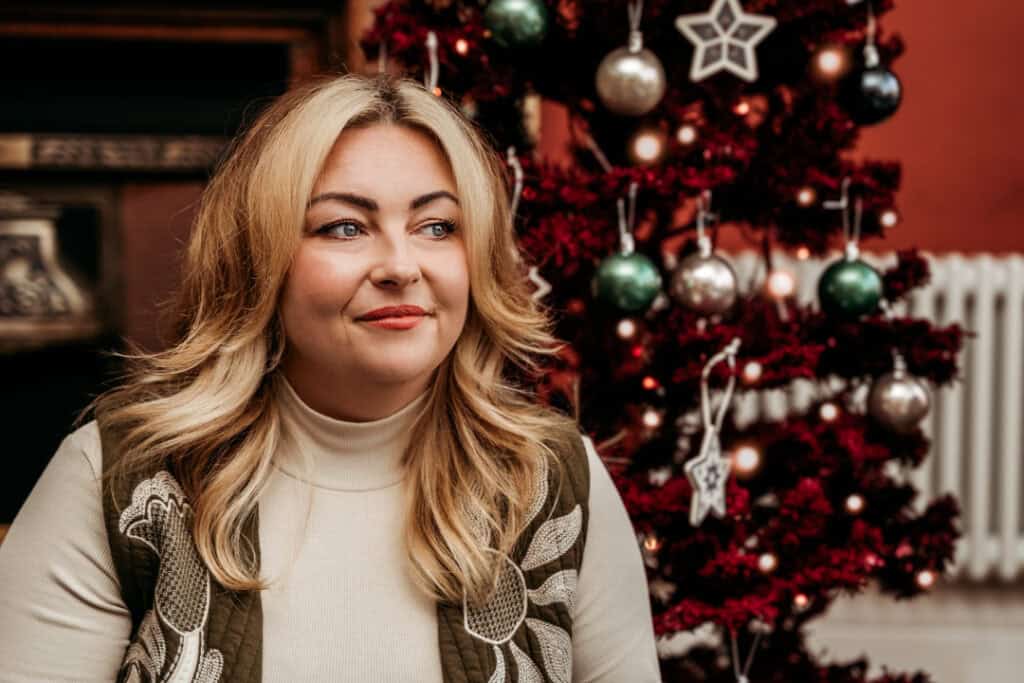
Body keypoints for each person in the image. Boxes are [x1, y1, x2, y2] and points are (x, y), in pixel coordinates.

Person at [0, 72, 661, 682]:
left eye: (437, 226)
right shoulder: (117, 476)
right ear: (258, 259)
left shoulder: (552, 480)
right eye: (344, 227)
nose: (401, 266)